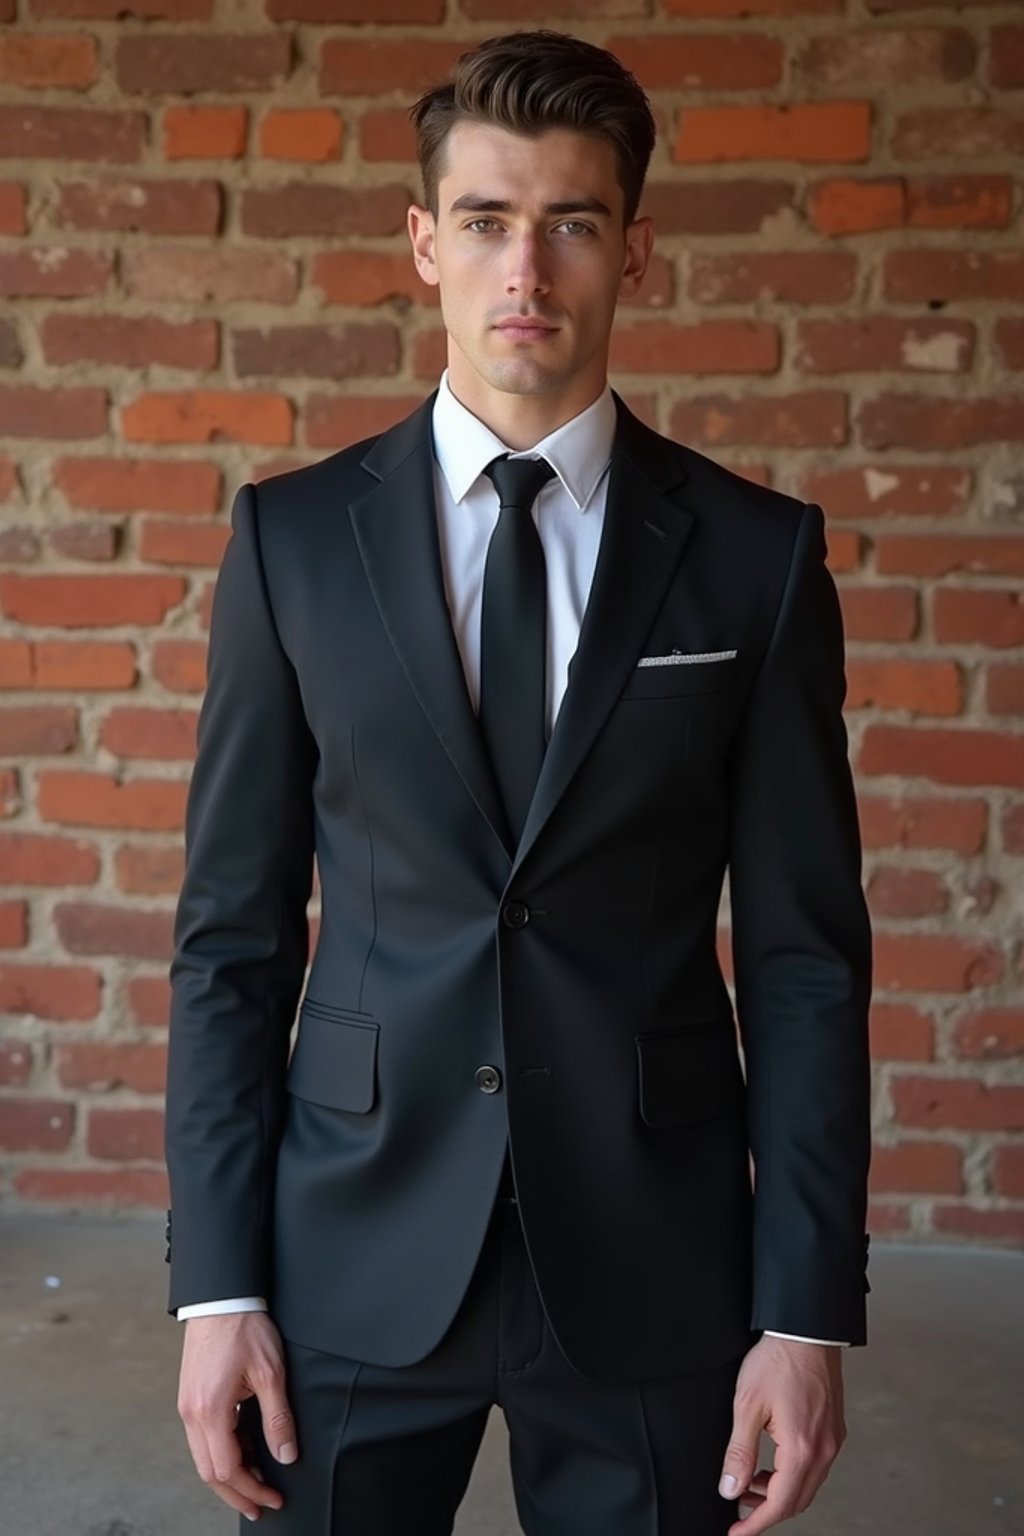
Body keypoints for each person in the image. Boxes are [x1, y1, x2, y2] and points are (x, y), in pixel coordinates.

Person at [164, 28, 872, 1536]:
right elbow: (230, 937)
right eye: (486, 221)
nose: (526, 271)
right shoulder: (292, 544)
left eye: (572, 222)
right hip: (347, 1249)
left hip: (655, 1254)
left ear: (638, 253)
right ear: (425, 244)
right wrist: (215, 1284)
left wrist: (805, 1313)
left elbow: (809, 959)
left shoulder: (756, 558)